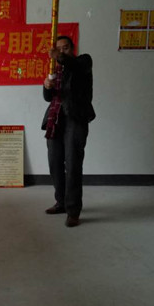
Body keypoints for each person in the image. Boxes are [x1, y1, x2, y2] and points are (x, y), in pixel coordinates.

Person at [41, 36, 95, 227]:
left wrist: (59, 57)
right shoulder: (55, 70)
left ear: (72, 48)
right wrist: (46, 86)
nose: (62, 52)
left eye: (65, 48)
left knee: (72, 165)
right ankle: (61, 202)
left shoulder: (83, 62)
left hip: (76, 118)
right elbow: (49, 98)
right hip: (55, 119)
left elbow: (76, 66)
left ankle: (73, 210)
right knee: (54, 163)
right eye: (58, 49)